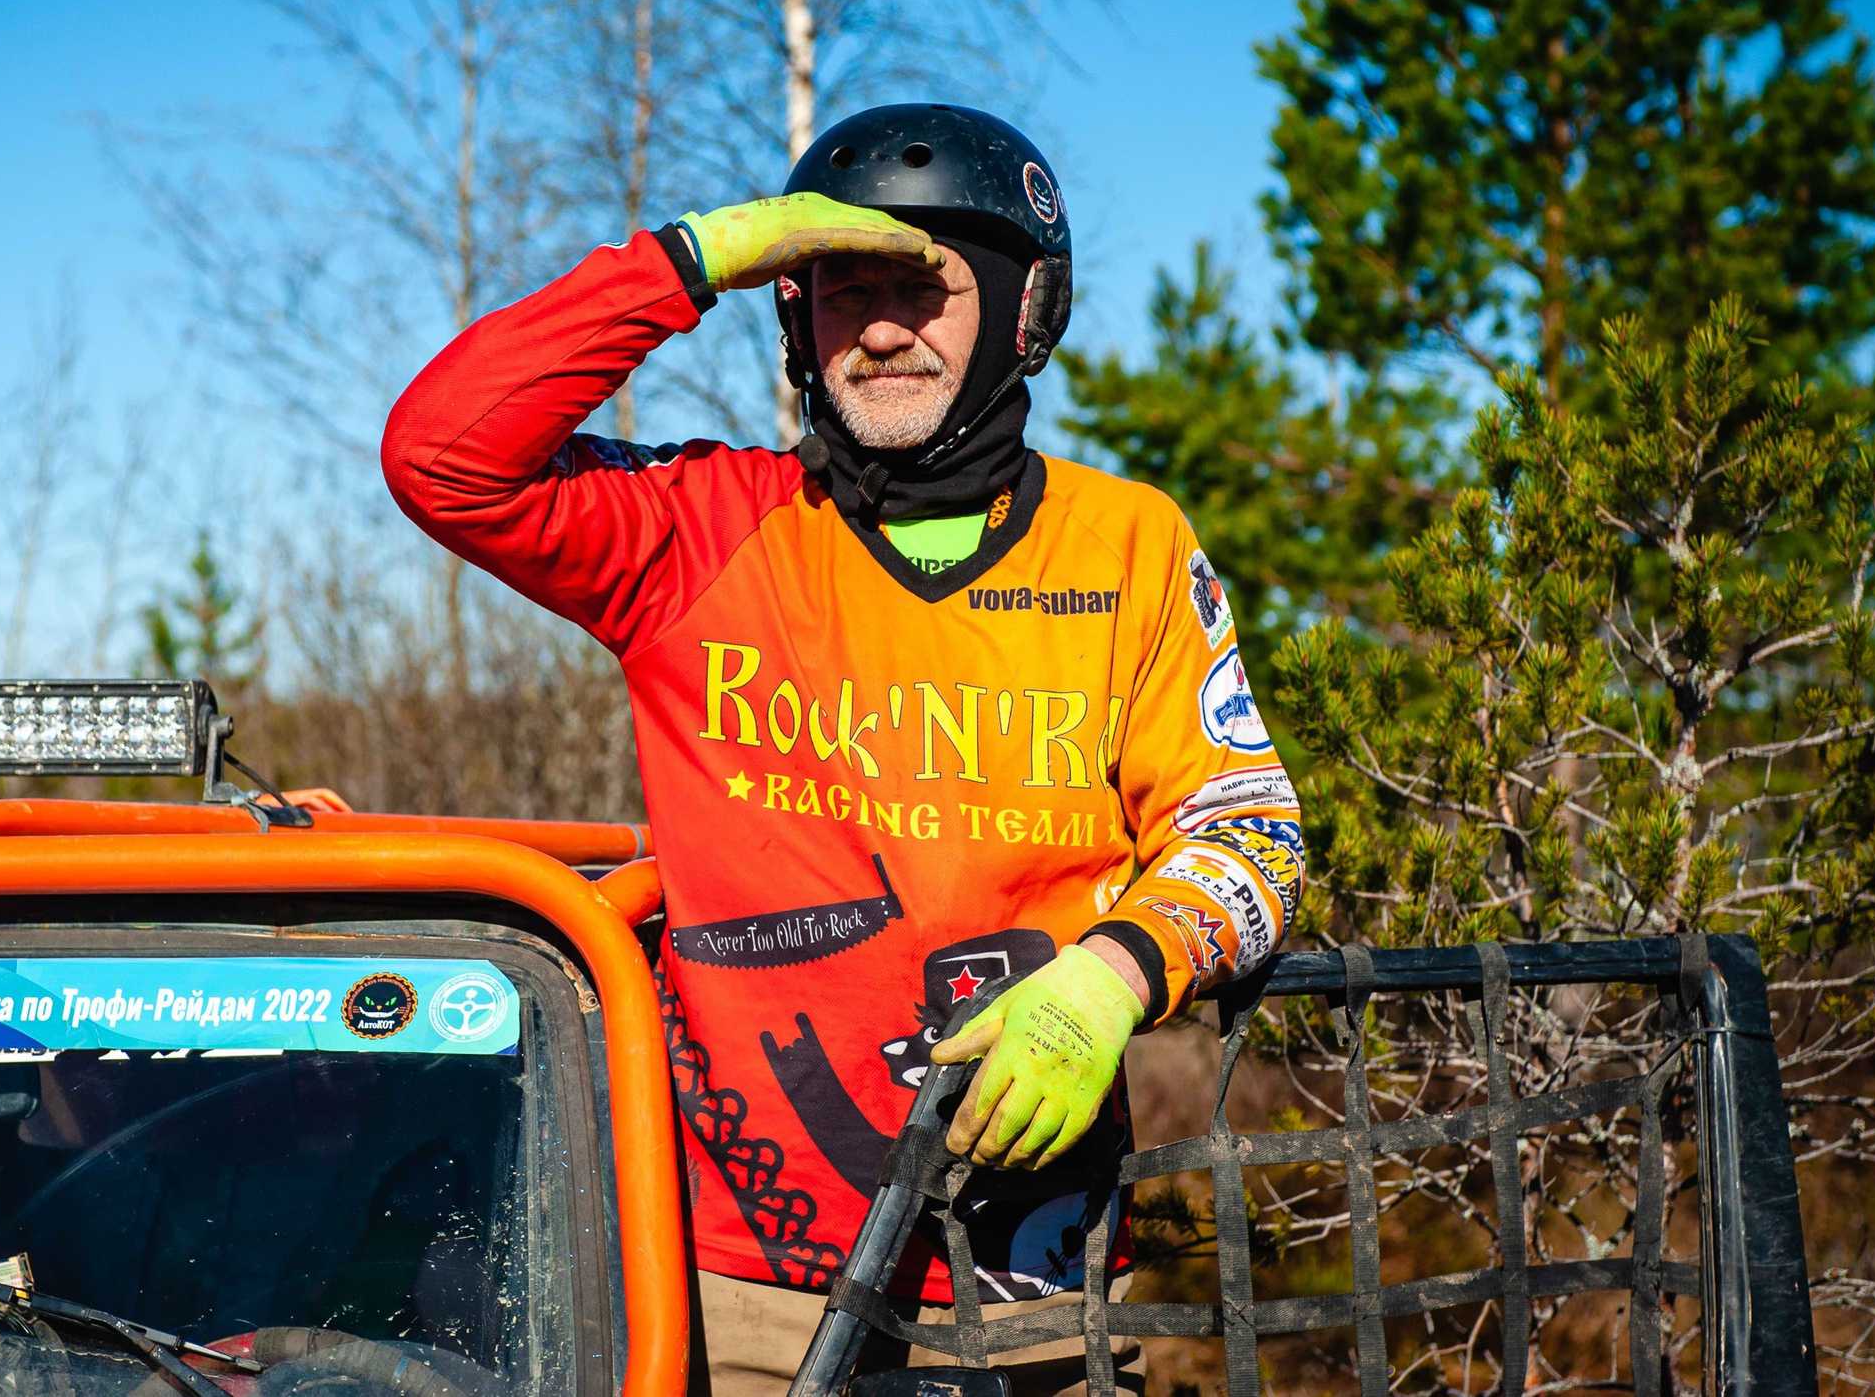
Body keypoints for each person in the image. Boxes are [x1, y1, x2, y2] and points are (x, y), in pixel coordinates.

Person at [384, 104, 1304, 1397]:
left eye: (923, 289)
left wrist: (1113, 981)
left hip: (1038, 1285)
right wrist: (695, 257)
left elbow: (1249, 826)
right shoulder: (696, 531)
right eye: (837, 290)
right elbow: (441, 457)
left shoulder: (1129, 544)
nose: (878, 328)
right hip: (732, 1291)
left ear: (1026, 312)